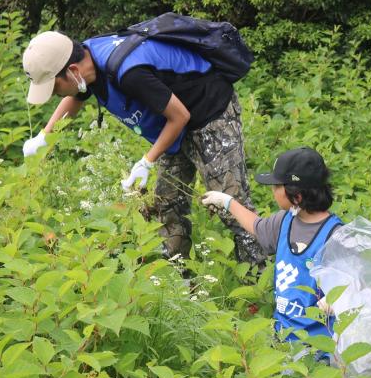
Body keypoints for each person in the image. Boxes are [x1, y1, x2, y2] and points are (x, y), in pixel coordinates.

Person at [21, 30, 264, 265]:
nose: (54, 94)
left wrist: (147, 161)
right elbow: (75, 96)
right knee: (167, 204)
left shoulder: (128, 72)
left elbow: (179, 116)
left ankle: (261, 279)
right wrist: (44, 136)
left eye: (54, 87)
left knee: (229, 202)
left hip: (210, 112)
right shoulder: (86, 63)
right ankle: (180, 280)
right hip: (172, 123)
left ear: (72, 71)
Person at [202, 147, 342, 341]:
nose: (272, 190)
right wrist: (228, 202)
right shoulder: (285, 221)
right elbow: (256, 226)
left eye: (277, 186)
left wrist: (339, 300)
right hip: (282, 337)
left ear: (297, 196)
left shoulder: (335, 236)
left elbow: (358, 281)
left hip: (319, 345)